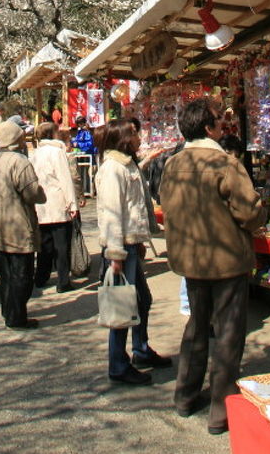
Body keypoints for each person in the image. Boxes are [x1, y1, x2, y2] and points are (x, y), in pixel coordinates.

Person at [159, 97, 265, 435]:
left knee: (196, 327)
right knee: (229, 332)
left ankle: (185, 395)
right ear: (208, 127)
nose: (224, 126)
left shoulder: (172, 165)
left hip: (191, 260)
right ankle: (221, 408)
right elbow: (249, 213)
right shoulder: (224, 164)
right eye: (220, 121)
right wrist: (264, 212)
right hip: (227, 260)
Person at [95, 118, 171, 386]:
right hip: (120, 248)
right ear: (125, 138)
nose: (140, 137)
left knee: (141, 300)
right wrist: (115, 254)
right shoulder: (113, 169)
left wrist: (142, 237)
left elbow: (137, 208)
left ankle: (140, 349)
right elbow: (112, 214)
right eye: (136, 133)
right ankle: (118, 364)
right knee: (122, 305)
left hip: (130, 243)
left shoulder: (129, 166)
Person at [0, 120, 46, 329]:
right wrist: (41, 194)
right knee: (22, 274)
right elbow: (31, 192)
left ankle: (8, 310)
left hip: (1, 223)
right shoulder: (19, 162)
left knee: (7, 274)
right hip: (19, 224)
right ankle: (17, 316)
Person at [29, 122, 78, 293]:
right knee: (61, 245)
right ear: (53, 134)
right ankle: (63, 281)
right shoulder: (58, 152)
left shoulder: (34, 154)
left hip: (40, 204)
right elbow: (65, 178)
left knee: (44, 245)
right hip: (57, 202)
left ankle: (41, 277)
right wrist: (72, 203)